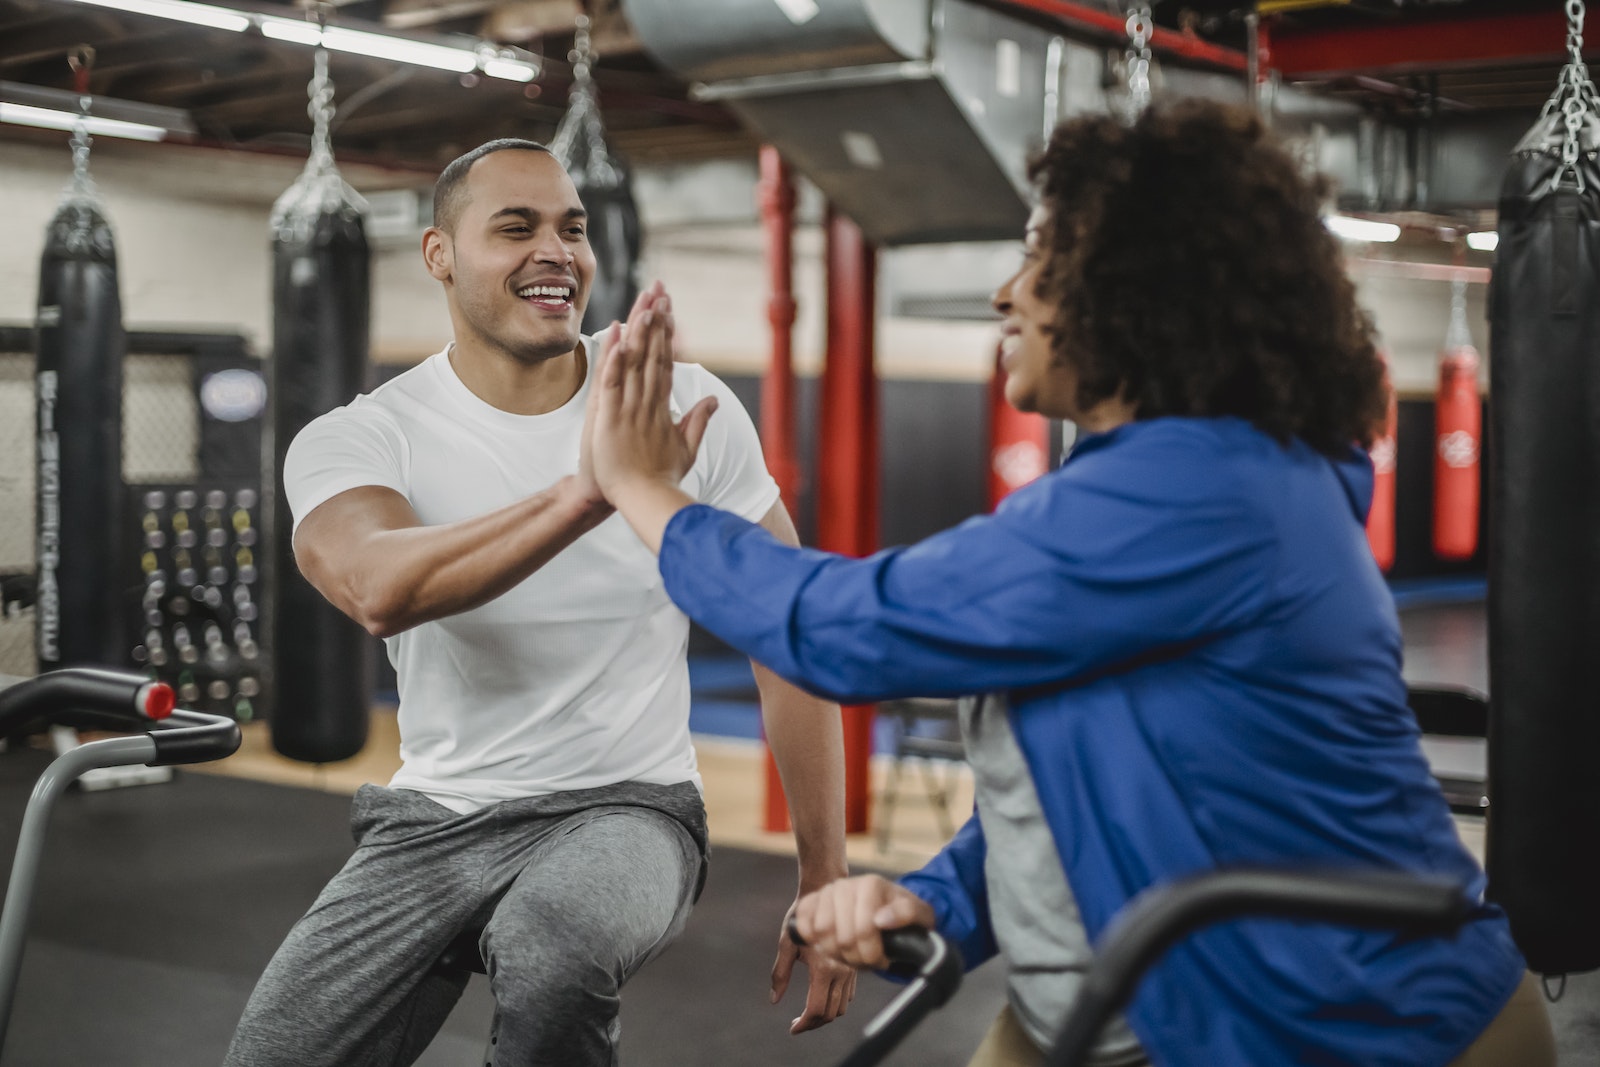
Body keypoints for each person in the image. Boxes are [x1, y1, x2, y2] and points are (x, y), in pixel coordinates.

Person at [585, 101, 1555, 1067]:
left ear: (1138, 291)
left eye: (1041, 262)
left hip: (1349, 1030)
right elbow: (1065, 781)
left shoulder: (1201, 490)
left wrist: (646, 490)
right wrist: (936, 900)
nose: (1006, 295)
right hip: (1127, 1009)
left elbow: (845, 627)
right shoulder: (1168, 487)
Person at [223, 139, 854, 1067]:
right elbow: (378, 585)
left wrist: (825, 871)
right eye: (514, 227)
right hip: (435, 815)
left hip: (629, 807)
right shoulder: (364, 435)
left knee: (553, 949)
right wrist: (592, 492)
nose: (555, 250)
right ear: (439, 254)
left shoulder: (676, 402)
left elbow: (788, 633)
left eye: (573, 227)